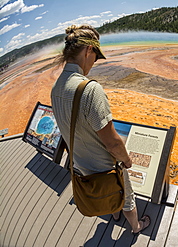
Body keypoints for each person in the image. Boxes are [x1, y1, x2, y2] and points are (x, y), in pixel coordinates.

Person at [51, 24, 150, 235]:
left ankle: (113, 214)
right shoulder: (89, 90)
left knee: (106, 194)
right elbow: (113, 142)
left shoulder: (56, 87)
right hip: (105, 168)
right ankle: (136, 227)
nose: (94, 63)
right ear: (88, 50)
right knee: (127, 197)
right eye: (95, 57)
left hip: (80, 166)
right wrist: (127, 160)